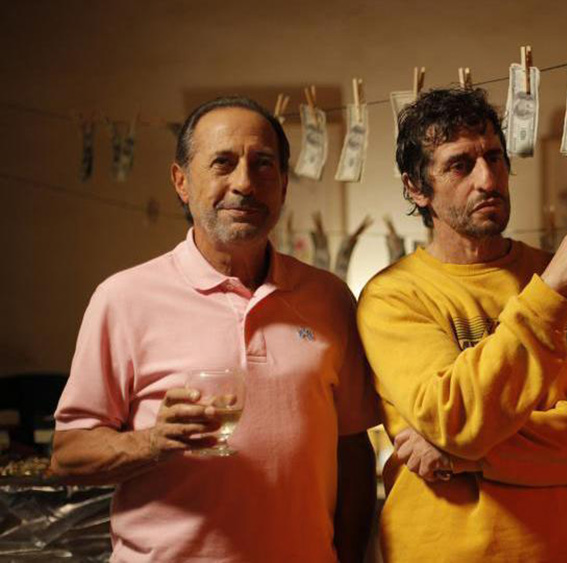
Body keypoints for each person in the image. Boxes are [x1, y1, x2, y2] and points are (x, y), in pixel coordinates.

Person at [50, 97, 378, 563]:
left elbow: (353, 448)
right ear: (181, 181)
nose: (245, 183)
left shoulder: (328, 297)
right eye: (223, 163)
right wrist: (152, 443)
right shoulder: (124, 298)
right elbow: (68, 455)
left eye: (263, 164)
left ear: (284, 184)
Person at [356, 88, 567, 562]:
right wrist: (548, 294)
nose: (488, 179)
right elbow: (454, 416)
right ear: (416, 187)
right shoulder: (393, 296)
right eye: (459, 165)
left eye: (494, 157)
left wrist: (462, 455)